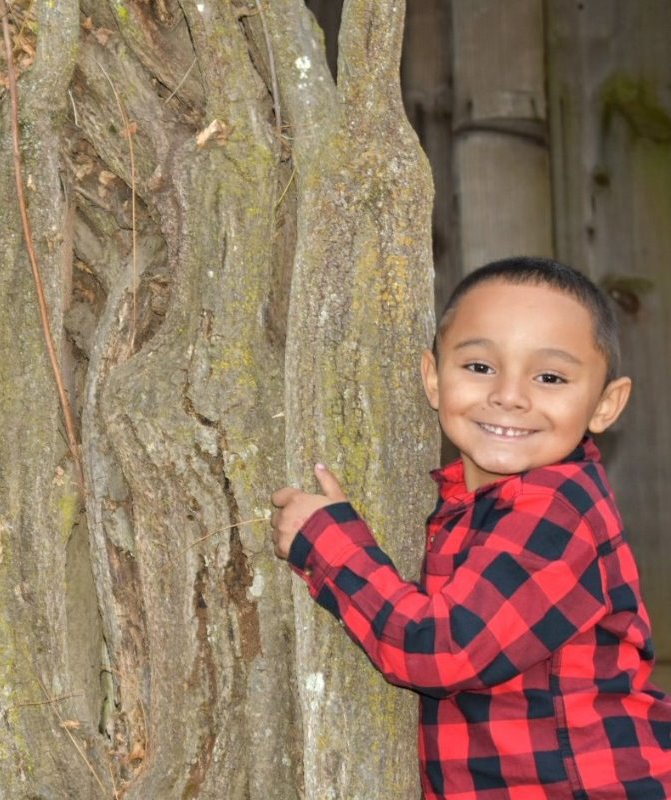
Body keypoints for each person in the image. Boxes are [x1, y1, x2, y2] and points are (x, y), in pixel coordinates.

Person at [271, 257, 671, 798]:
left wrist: (327, 546)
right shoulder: (473, 505)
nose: (509, 395)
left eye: (549, 377)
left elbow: (441, 651)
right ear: (434, 378)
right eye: (480, 367)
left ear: (605, 404)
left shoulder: (557, 511)